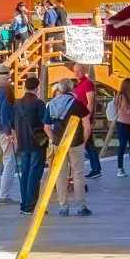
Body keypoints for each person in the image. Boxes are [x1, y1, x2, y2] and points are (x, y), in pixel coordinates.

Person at [46, 80, 92, 216]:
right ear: (72, 89)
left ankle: (63, 207)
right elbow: (87, 126)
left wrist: (53, 139)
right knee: (77, 173)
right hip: (75, 142)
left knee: (60, 175)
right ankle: (81, 206)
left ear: (60, 89)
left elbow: (46, 127)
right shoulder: (78, 104)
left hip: (58, 143)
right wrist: (83, 141)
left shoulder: (52, 104)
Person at [13, 81, 50, 212]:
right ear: (37, 88)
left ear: (25, 87)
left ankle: (24, 204)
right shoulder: (39, 104)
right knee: (34, 174)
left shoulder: (16, 104)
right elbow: (46, 123)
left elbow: (13, 123)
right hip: (37, 143)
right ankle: (31, 205)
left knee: (25, 174)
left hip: (22, 142)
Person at [75, 69, 104, 180]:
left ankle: (96, 169)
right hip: (81, 117)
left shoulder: (87, 83)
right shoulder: (79, 84)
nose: (77, 73)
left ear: (83, 71)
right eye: (75, 71)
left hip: (85, 118)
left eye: (79, 71)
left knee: (89, 144)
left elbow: (90, 102)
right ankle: (95, 168)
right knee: (88, 143)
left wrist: (87, 117)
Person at [111, 78, 130, 174]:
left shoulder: (125, 96)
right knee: (123, 145)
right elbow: (127, 110)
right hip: (123, 123)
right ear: (128, 86)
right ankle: (120, 169)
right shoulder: (123, 96)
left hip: (127, 123)